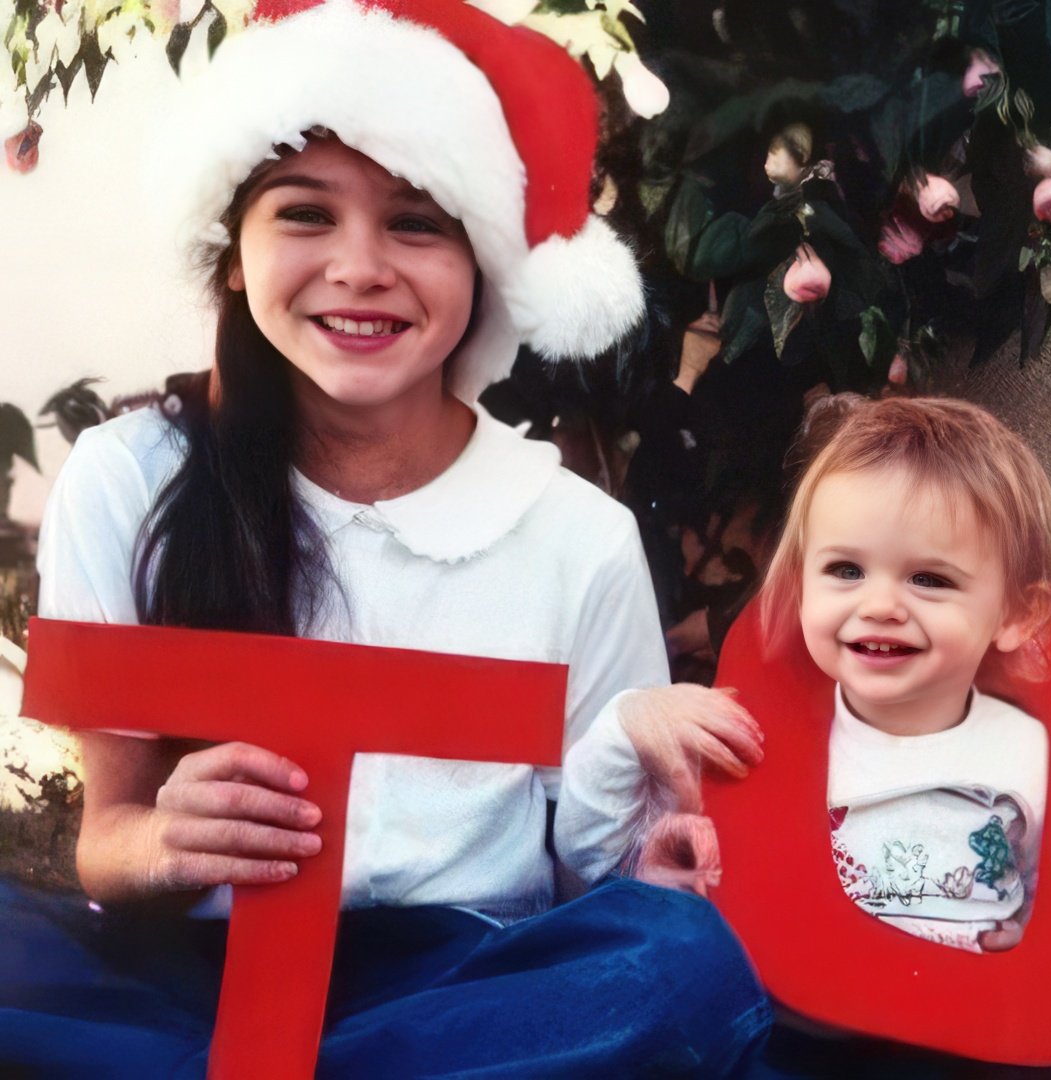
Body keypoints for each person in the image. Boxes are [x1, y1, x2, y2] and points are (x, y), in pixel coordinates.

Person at [0, 0, 769, 1073]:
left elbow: (593, 871)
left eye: (417, 222)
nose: (360, 268)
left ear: (484, 265)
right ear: (232, 256)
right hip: (183, 978)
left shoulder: (575, 538)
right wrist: (166, 844)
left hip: (461, 990)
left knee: (679, 962)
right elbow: (108, 838)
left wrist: (658, 868)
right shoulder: (128, 480)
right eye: (305, 215)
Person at [561, 395, 1051, 957]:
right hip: (786, 1025)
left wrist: (1029, 951)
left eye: (929, 578)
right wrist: (627, 729)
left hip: (964, 1033)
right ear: (800, 588)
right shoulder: (749, 735)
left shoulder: (1035, 754)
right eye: (846, 570)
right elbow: (590, 857)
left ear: (1018, 616)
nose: (879, 605)